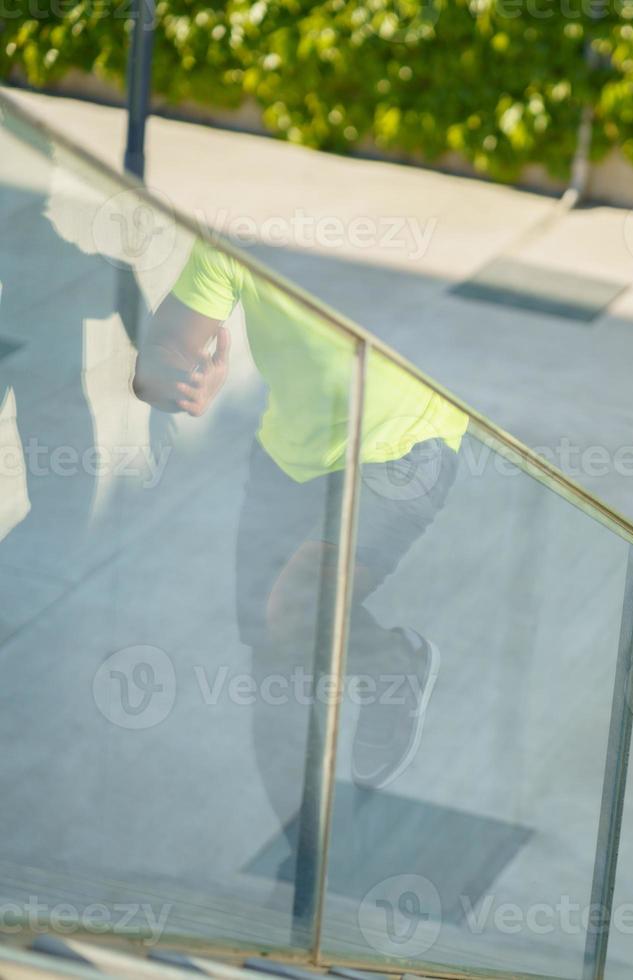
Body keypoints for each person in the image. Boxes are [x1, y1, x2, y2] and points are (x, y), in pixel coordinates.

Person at [131, 236, 469, 806]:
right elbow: (162, 351)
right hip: (288, 456)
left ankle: (391, 665)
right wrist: (180, 381)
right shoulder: (234, 231)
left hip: (404, 447)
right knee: (274, 662)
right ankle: (301, 848)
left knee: (291, 612)